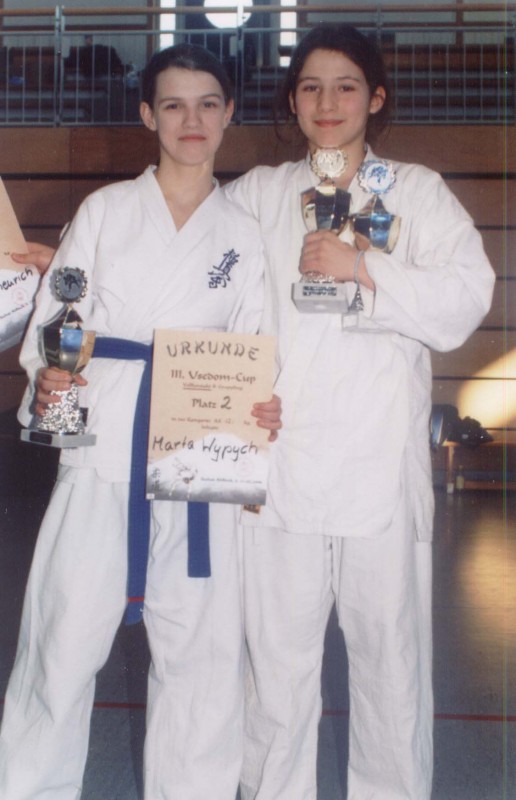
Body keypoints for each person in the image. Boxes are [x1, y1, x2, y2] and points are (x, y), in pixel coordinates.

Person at [0, 44, 280, 800]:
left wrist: (263, 403)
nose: (193, 120)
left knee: (202, 658)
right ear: (147, 115)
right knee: (62, 643)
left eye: (209, 103)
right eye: (175, 105)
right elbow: (57, 321)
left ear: (230, 113)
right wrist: (50, 376)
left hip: (199, 458)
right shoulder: (106, 211)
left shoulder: (243, 231)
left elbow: (258, 345)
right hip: (102, 447)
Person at [223, 23, 495, 800]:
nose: (327, 102)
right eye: (310, 86)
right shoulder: (258, 195)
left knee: (389, 666)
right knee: (275, 669)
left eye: (345, 86)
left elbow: (465, 298)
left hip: (378, 473)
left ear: (375, 98)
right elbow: (190, 271)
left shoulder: (417, 192)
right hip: (281, 470)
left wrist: (366, 269)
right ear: (291, 100)